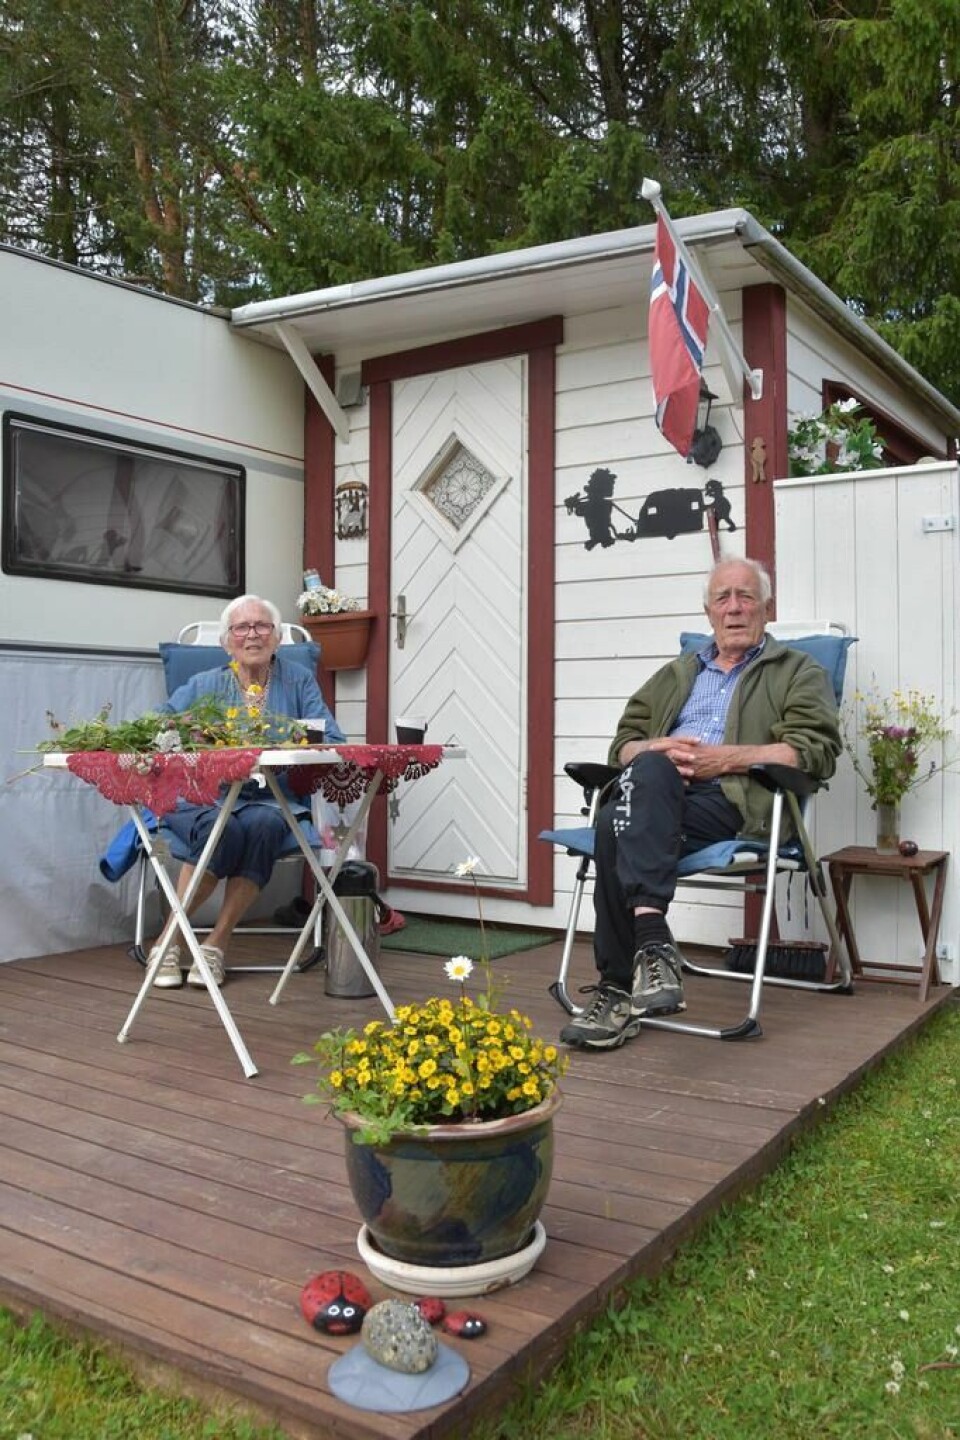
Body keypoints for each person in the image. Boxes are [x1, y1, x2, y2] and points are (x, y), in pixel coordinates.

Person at [560, 557, 841, 1051]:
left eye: (745, 596)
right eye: (722, 598)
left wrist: (726, 759)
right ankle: (651, 947)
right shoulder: (676, 673)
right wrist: (653, 750)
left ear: (766, 609)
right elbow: (624, 744)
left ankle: (614, 990)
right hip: (657, 798)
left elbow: (814, 751)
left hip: (734, 800)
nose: (734, 608)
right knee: (641, 777)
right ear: (708, 612)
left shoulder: (798, 671)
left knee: (612, 824)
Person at [148, 594, 344, 989]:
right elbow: (158, 731)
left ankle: (214, 946)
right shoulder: (204, 685)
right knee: (224, 829)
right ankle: (170, 938)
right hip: (204, 796)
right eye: (242, 627)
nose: (252, 635)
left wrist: (287, 737)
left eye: (262, 626)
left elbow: (331, 738)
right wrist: (191, 734)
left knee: (261, 826)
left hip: (268, 797)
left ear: (276, 638)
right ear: (227, 641)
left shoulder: (297, 680)